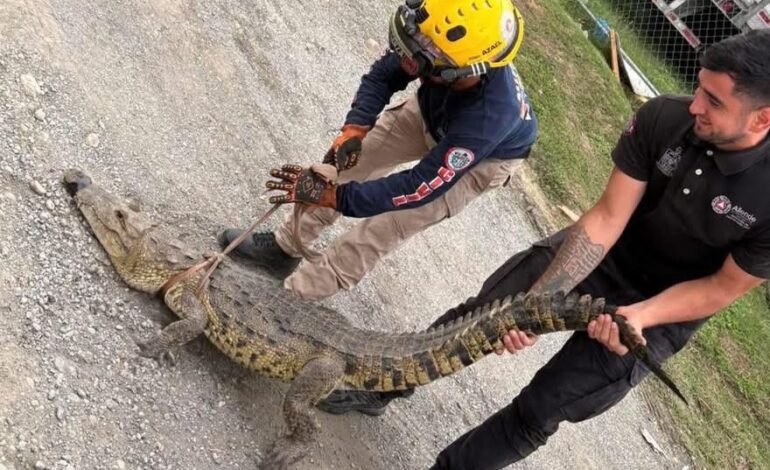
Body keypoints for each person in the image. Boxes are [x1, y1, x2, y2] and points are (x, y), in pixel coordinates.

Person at [324, 30, 770, 469]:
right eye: (699, 88)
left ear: (761, 119)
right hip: (605, 253)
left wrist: (640, 317)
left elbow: (719, 289)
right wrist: (536, 306)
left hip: (666, 308)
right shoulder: (665, 118)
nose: (695, 105)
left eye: (714, 101)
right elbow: (606, 219)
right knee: (481, 314)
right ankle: (378, 387)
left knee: (543, 408)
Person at [219, 0, 538, 300]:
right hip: (432, 110)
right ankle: (283, 249)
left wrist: (338, 199)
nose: (417, 51)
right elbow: (383, 76)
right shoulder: (435, 42)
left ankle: (287, 300)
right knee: (344, 167)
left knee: (389, 224)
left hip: (483, 160)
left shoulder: (490, 117)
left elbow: (419, 186)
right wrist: (355, 128)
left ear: (462, 71)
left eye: (428, 52)